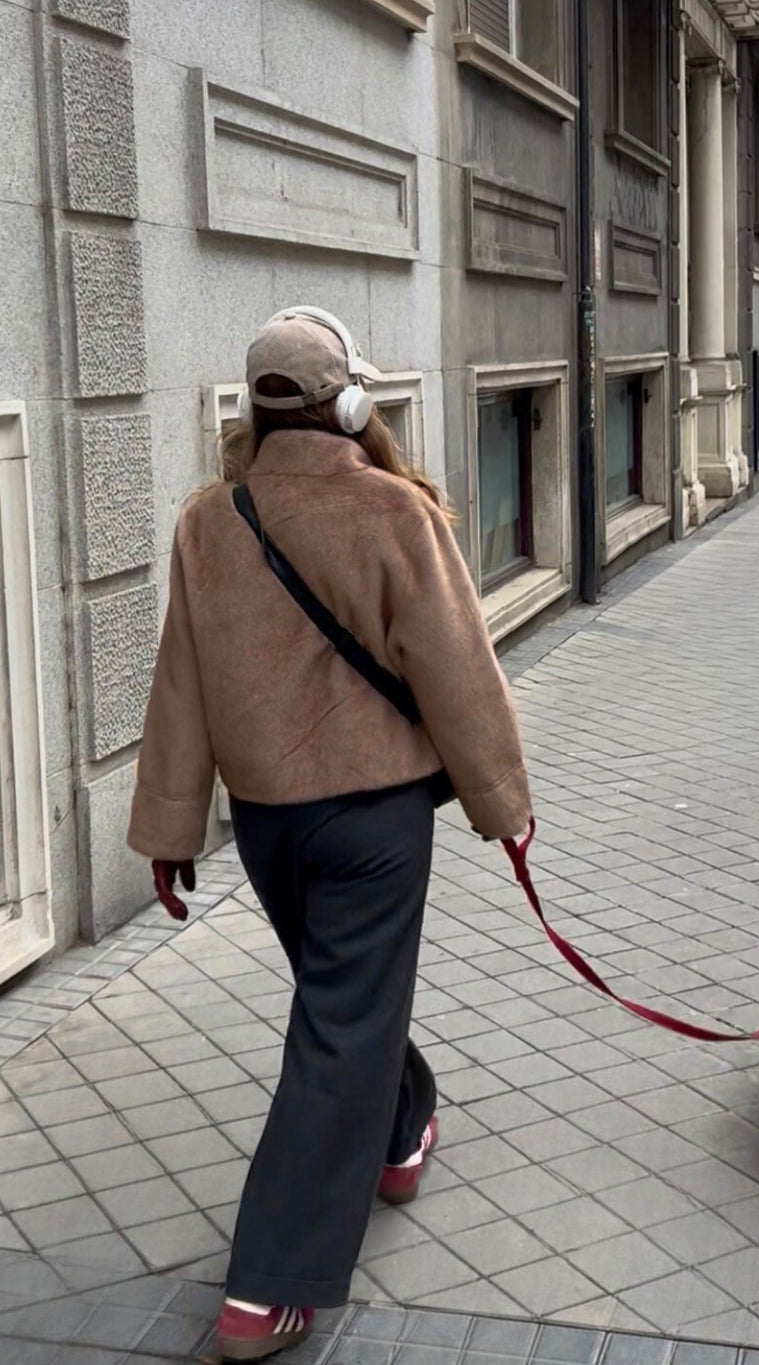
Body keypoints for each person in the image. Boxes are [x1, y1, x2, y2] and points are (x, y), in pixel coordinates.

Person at [128, 307, 532, 1361]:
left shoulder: (208, 520)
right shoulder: (396, 510)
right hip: (376, 823)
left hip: (269, 825)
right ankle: (268, 1284)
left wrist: (171, 830)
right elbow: (461, 672)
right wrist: (503, 807)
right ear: (351, 403)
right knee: (343, 1018)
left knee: (342, 1001)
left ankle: (401, 1132)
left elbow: (180, 687)